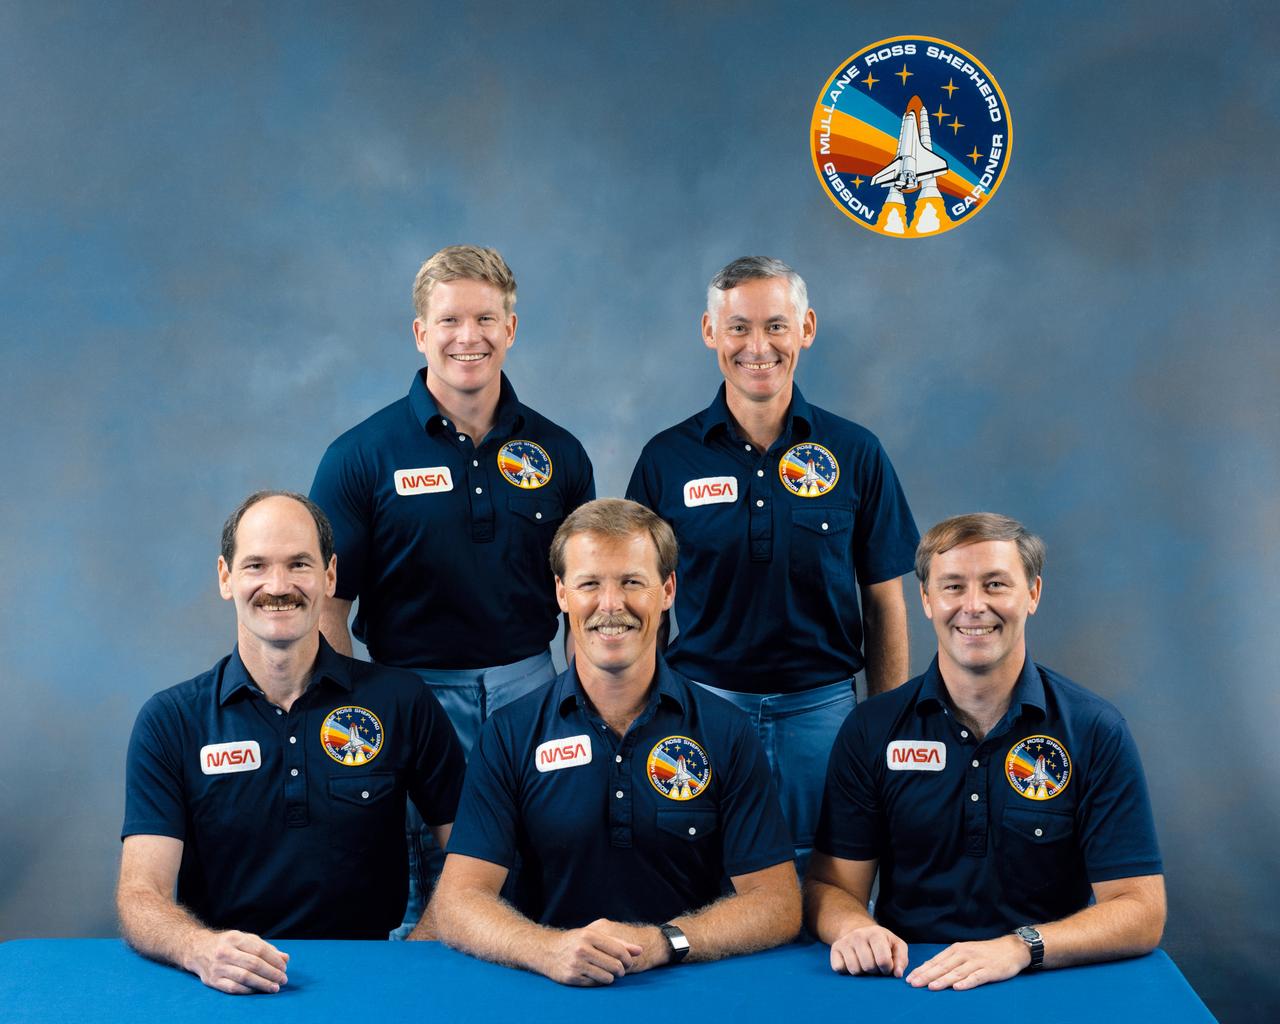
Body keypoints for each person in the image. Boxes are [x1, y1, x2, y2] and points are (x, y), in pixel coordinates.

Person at [308, 245, 595, 933]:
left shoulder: (560, 453)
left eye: (486, 318)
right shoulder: (361, 456)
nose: (469, 337)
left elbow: (589, 600)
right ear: (420, 333)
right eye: (450, 321)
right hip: (412, 697)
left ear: (512, 328)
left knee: (539, 880)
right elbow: (328, 606)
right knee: (426, 897)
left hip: (535, 694)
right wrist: (355, 717)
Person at [431, 499, 801, 985]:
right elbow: (459, 902)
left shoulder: (725, 731)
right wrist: (546, 949)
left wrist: (664, 942)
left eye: (632, 582)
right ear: (561, 593)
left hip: (691, 991)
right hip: (550, 992)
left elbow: (777, 903)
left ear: (667, 590)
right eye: (589, 584)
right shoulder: (510, 733)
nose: (611, 605)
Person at [625, 256, 918, 865]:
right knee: (702, 881)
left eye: (776, 326)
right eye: (738, 328)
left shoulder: (856, 452)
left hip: (826, 716)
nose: (757, 346)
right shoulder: (665, 459)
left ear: (806, 328)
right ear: (710, 333)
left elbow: (884, 599)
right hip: (701, 712)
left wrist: (885, 727)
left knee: (830, 889)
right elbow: (634, 599)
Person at [117, 492, 465, 994]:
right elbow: (140, 892)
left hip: (374, 981)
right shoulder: (171, 721)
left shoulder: (400, 701)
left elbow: (472, 854)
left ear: (329, 576)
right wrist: (199, 949)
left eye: (298, 564)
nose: (277, 587)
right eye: (256, 565)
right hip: (226, 983)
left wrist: (421, 948)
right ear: (225, 577)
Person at [805, 513, 1166, 991]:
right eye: (953, 587)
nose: (973, 606)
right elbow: (831, 889)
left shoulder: (1094, 730)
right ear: (927, 600)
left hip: (1047, 978)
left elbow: (1142, 909)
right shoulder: (872, 729)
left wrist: (1020, 948)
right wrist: (855, 928)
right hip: (910, 979)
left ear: (1033, 594)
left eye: (995, 584)